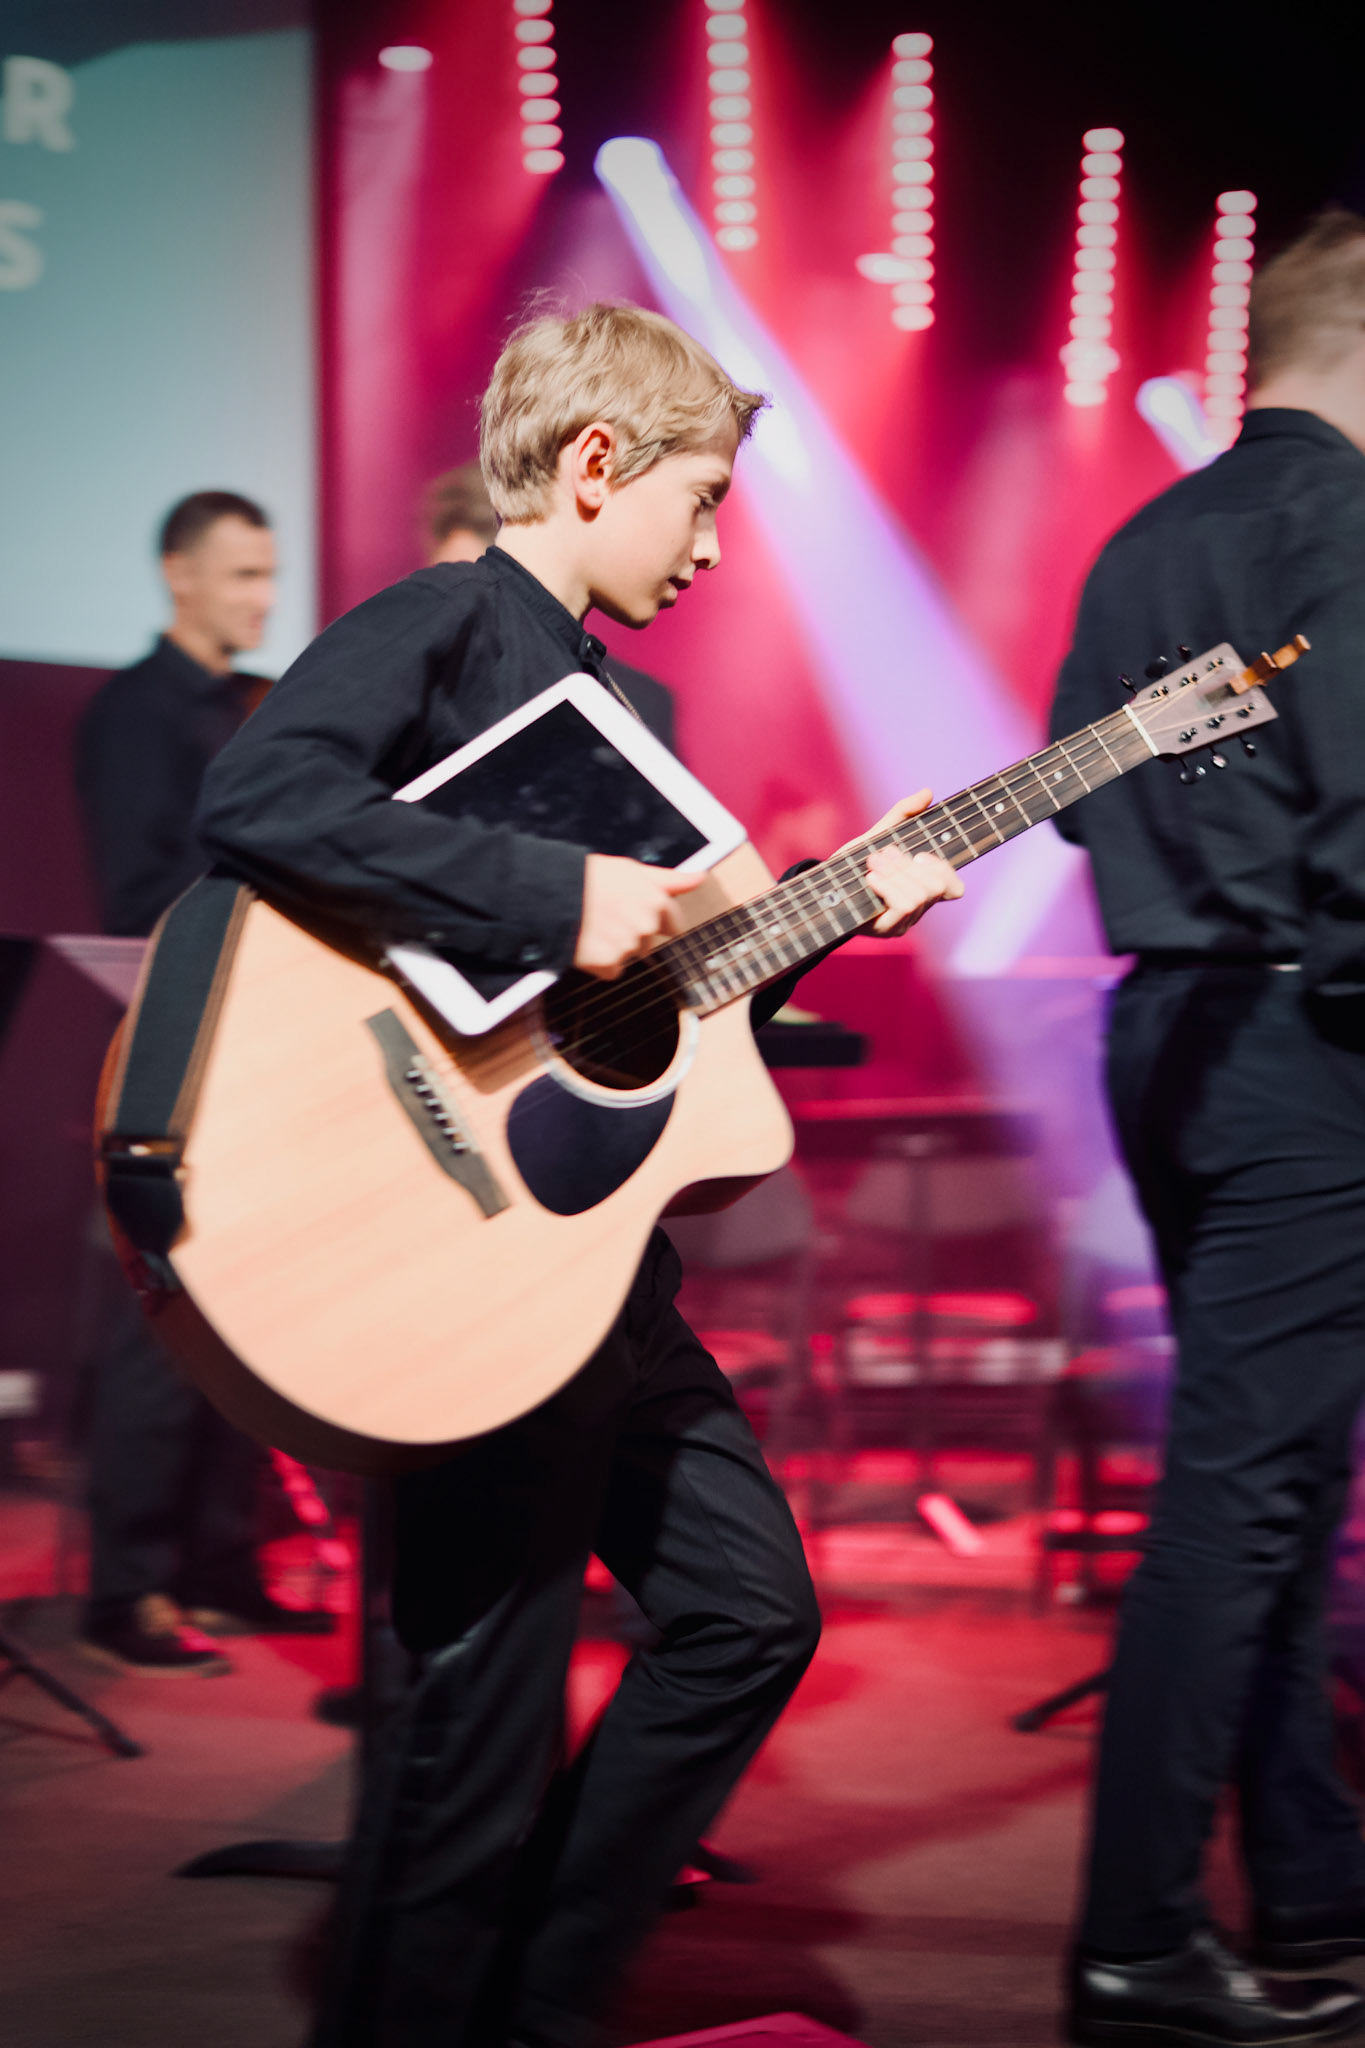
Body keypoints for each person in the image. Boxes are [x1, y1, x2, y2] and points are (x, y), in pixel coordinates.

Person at [196, 302, 963, 2048]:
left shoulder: (621, 700)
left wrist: (840, 903)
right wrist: (552, 890)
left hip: (598, 1262)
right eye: (701, 500)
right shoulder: (443, 621)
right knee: (477, 1720)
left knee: (747, 1617)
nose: (712, 546)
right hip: (471, 1255)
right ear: (596, 463)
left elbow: (654, 998)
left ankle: (538, 2001)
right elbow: (259, 798)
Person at [1050, 210, 1365, 2048]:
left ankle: (1312, 1870)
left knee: (1277, 1475)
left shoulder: (1140, 541)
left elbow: (1077, 797)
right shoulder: (1345, 525)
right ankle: (1134, 1940)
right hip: (1299, 1040)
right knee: (1244, 1495)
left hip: (1164, 1029)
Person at [74, 490, 333, 1674]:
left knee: (249, 1311)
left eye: (270, 574)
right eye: (240, 575)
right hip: (182, 1040)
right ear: (179, 575)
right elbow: (138, 896)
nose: (263, 598)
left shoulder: (254, 704)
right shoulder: (135, 710)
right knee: (164, 1314)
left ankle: (224, 1567)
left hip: (264, 1035)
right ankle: (129, 1588)